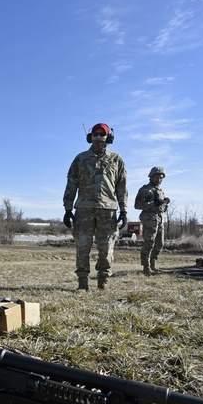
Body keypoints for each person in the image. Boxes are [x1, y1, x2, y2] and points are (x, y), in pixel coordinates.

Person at [62, 123, 128, 290]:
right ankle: (82, 283)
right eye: (95, 134)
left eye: (102, 134)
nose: (99, 137)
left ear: (108, 137)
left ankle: (102, 282)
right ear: (90, 137)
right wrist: (68, 209)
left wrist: (124, 210)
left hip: (108, 211)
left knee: (106, 248)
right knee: (82, 247)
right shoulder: (80, 159)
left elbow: (122, 186)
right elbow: (71, 183)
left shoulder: (116, 159)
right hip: (84, 210)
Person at [134, 166, 170, 275]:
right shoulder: (145, 189)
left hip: (159, 219)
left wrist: (164, 203)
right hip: (149, 219)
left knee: (160, 243)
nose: (159, 180)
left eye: (161, 178)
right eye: (158, 177)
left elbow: (161, 206)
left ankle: (153, 263)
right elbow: (137, 205)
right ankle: (146, 266)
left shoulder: (160, 190)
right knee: (149, 242)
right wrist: (154, 203)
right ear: (151, 177)